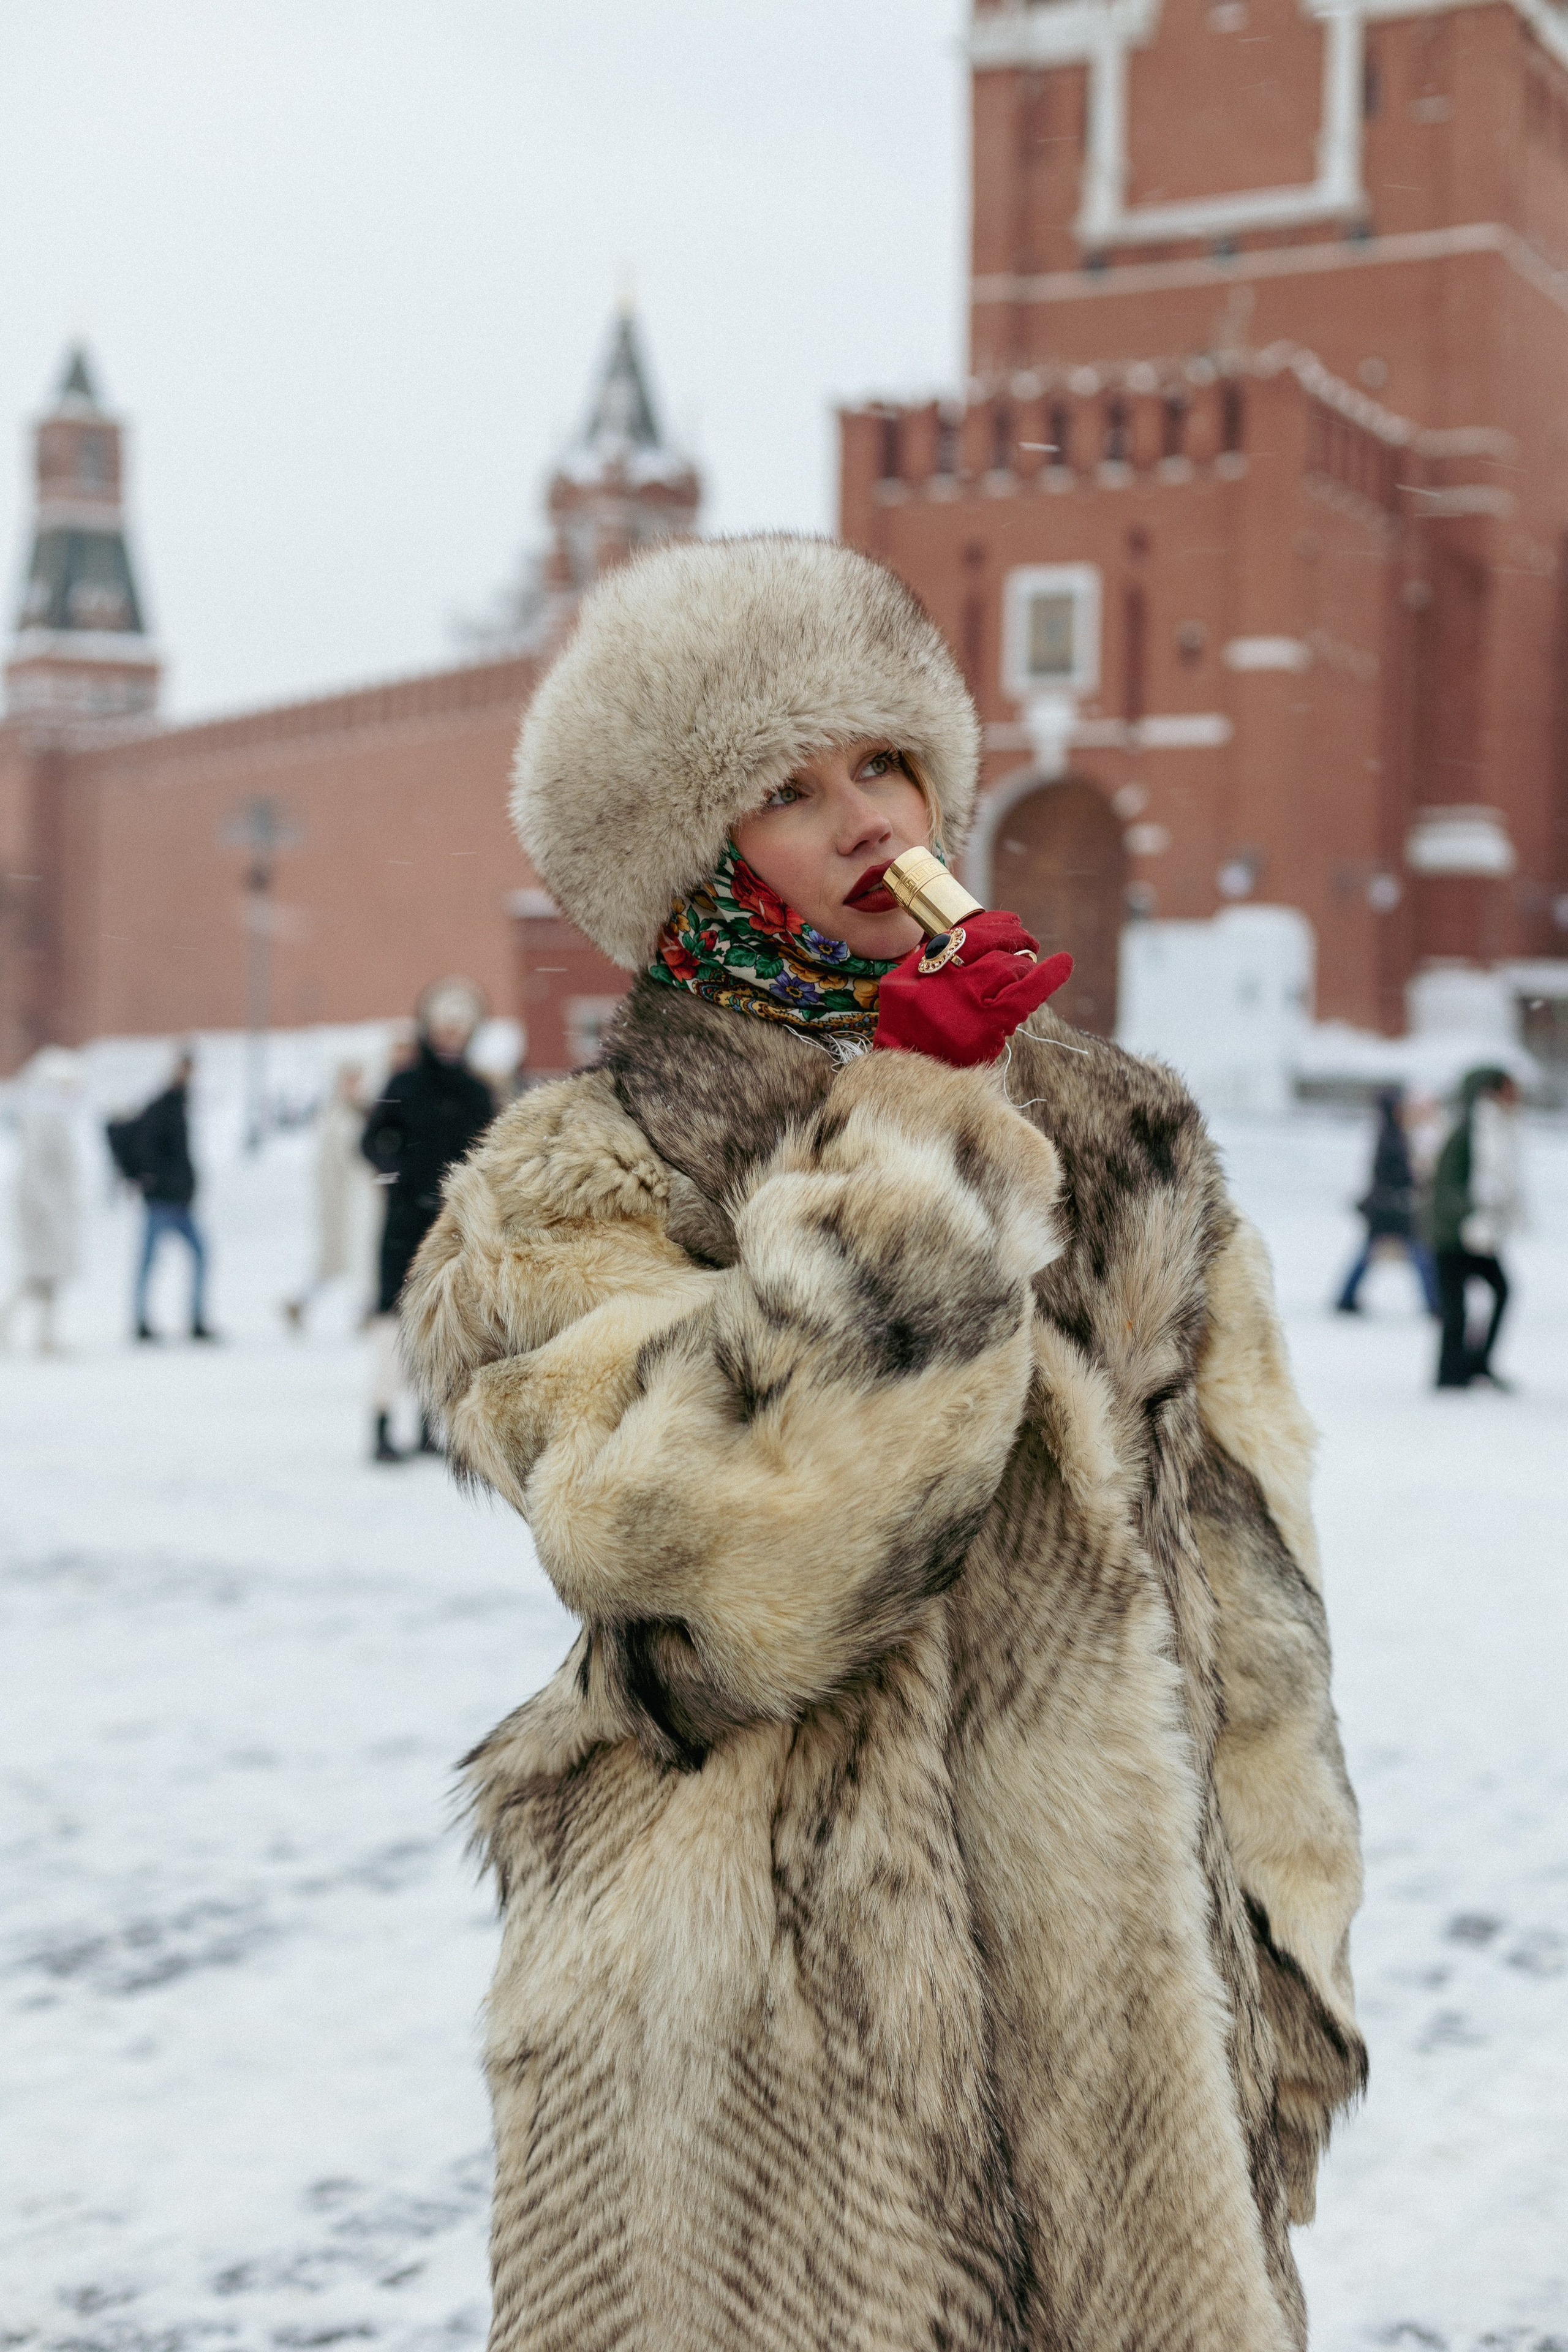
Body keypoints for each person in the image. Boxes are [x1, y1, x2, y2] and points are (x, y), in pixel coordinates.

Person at [399, 538, 1364, 2350]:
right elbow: (715, 1551)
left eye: (885, 765)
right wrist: (913, 1138)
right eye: (784, 784)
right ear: (691, 848)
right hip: (766, 2094)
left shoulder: (1124, 1131)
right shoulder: (580, 1174)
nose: (861, 819)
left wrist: (1285, 1980)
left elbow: (1246, 1583)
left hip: (1135, 2078)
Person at [360, 982, 493, 1461]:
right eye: (443, 1026)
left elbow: (493, 1157)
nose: (451, 1036)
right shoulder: (404, 1085)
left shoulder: (478, 1093)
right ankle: (379, 1425)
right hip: (402, 1231)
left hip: (453, 1233)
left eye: (460, 1027)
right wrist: (398, 1177)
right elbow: (372, 1140)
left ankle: (427, 1425)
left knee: (442, 1330)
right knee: (391, 1330)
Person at [1428, 1065, 1525, 1389]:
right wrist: (1472, 1218)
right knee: (1458, 1307)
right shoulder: (1474, 1131)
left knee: (1490, 1294)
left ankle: (1472, 1365)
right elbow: (1448, 1186)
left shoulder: (1492, 1128)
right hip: (1453, 1232)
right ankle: (1452, 1373)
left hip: (1472, 1231)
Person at [115, 1049, 216, 1343]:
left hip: (179, 1200)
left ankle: (193, 1318)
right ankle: (142, 1320)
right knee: (150, 1261)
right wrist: (155, 1180)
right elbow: (147, 1148)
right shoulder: (162, 1105)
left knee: (198, 1255)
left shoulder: (180, 1104)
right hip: (162, 1200)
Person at [1, 1046, 83, 1355]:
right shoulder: (41, 1118)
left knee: (50, 1279)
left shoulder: (52, 1116)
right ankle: (24, 1329)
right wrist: (51, 1212)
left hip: (53, 1211)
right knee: (38, 1276)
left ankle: (46, 1334)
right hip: (42, 1215)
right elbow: (36, 1174)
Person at [281, 1061, 373, 1332]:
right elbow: (349, 1163)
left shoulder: (354, 1114)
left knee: (348, 1261)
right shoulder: (338, 1119)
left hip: (353, 1201)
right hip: (346, 1203)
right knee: (349, 1259)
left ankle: (305, 1302)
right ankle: (364, 1313)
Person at [1334, 1084, 1439, 1316]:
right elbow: (1398, 1173)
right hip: (1391, 1209)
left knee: (1371, 1254)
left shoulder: (1391, 1133)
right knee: (1419, 1254)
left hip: (1387, 1209)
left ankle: (1345, 1298)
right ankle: (1435, 1303)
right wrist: (1419, 1180)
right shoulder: (1393, 1137)